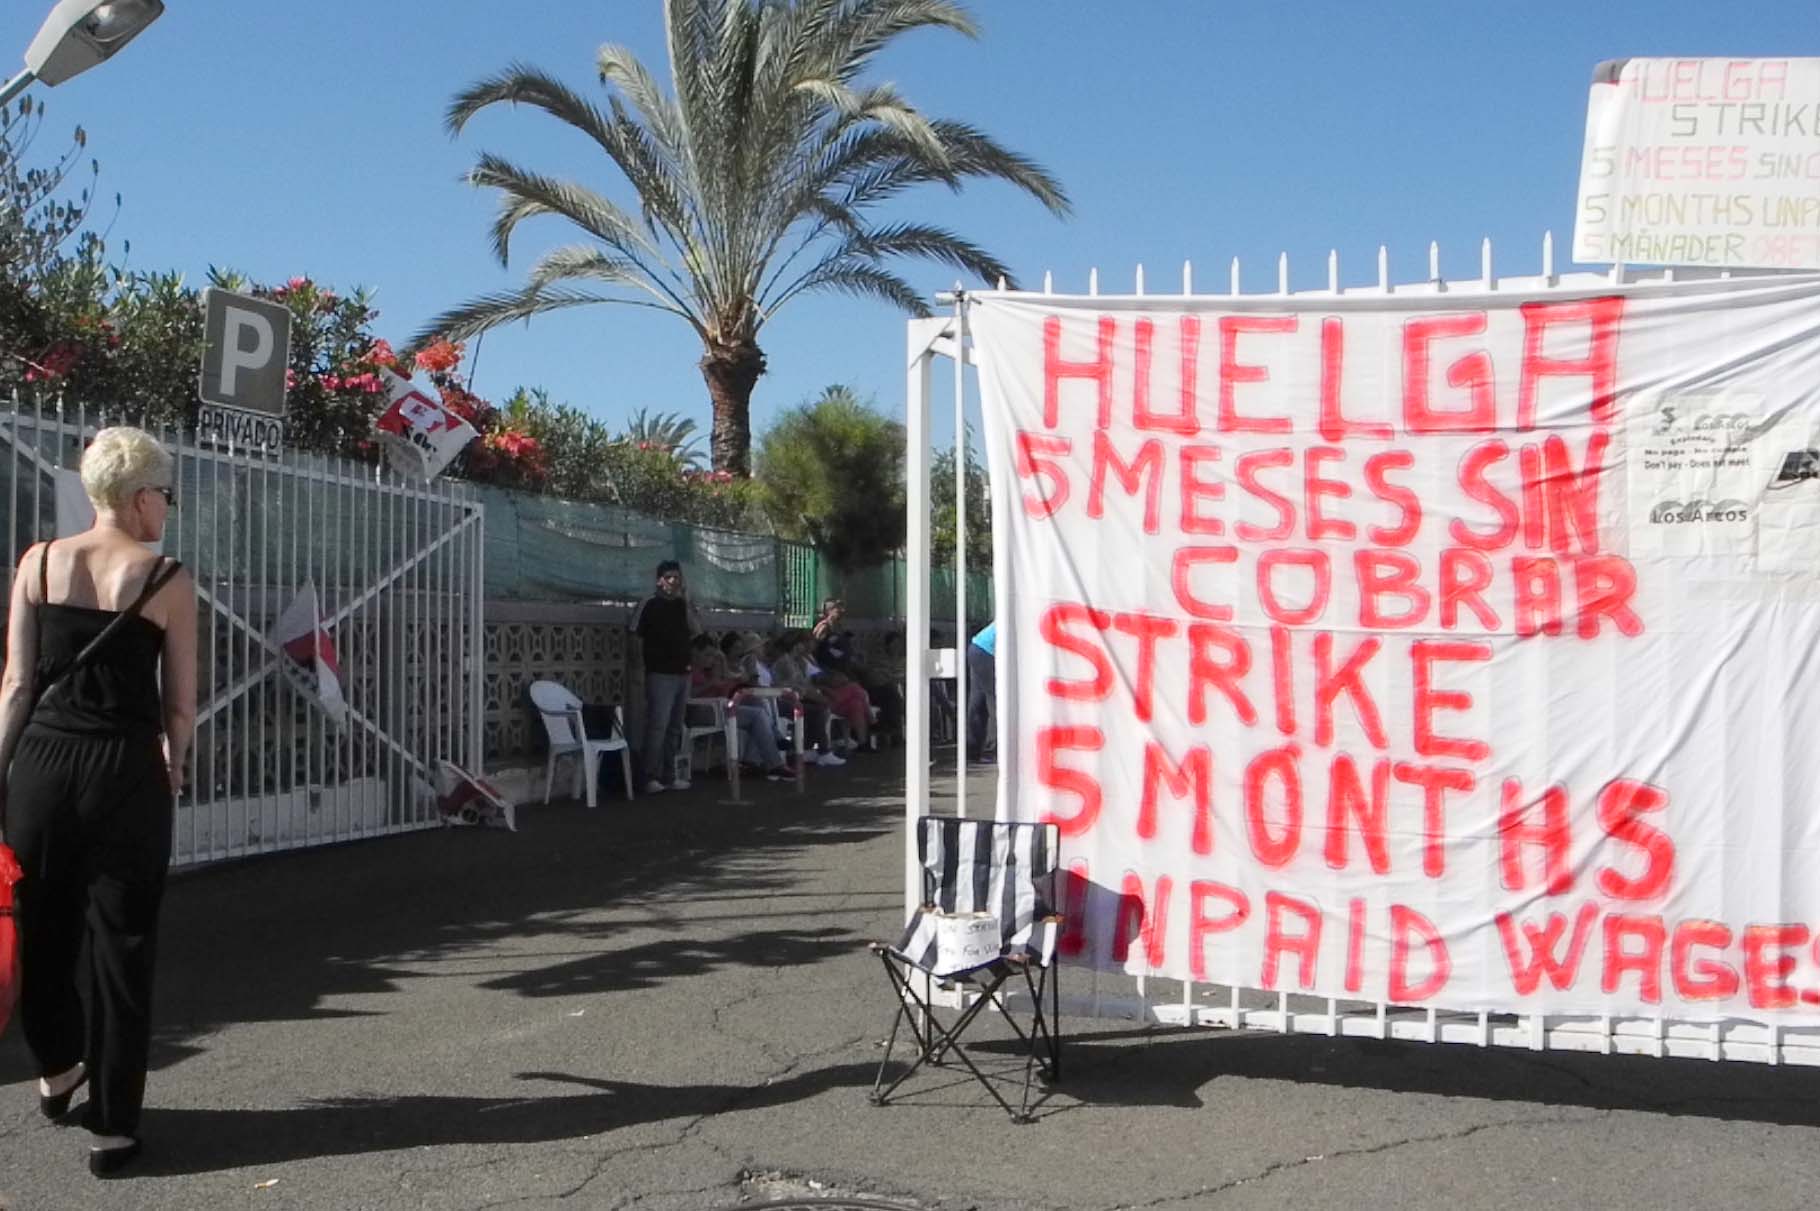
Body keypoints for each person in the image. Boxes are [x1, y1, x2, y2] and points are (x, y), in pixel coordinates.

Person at [0, 427, 197, 1177]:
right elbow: (179, 706)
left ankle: (57, 1069)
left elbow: (16, 683)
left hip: (42, 766)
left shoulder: (38, 563)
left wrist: (2, 773)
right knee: (123, 948)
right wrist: (174, 770)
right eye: (167, 497)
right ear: (142, 497)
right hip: (124, 770)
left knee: (42, 930)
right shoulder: (167, 578)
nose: (168, 511)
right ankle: (113, 1128)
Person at [631, 560, 700, 794]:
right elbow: (635, 637)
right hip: (659, 674)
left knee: (674, 727)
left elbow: (697, 630)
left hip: (683, 673)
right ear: (659, 580)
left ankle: (669, 775)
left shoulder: (682, 605)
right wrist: (639, 669)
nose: (674, 581)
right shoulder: (649, 604)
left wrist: (687, 601)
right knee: (657, 726)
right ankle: (648, 776)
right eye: (669, 577)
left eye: (677, 577)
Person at [966, 619, 996, 761]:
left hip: (976, 646)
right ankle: (992, 750)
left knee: (977, 702)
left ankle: (973, 750)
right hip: (988, 652)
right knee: (994, 701)